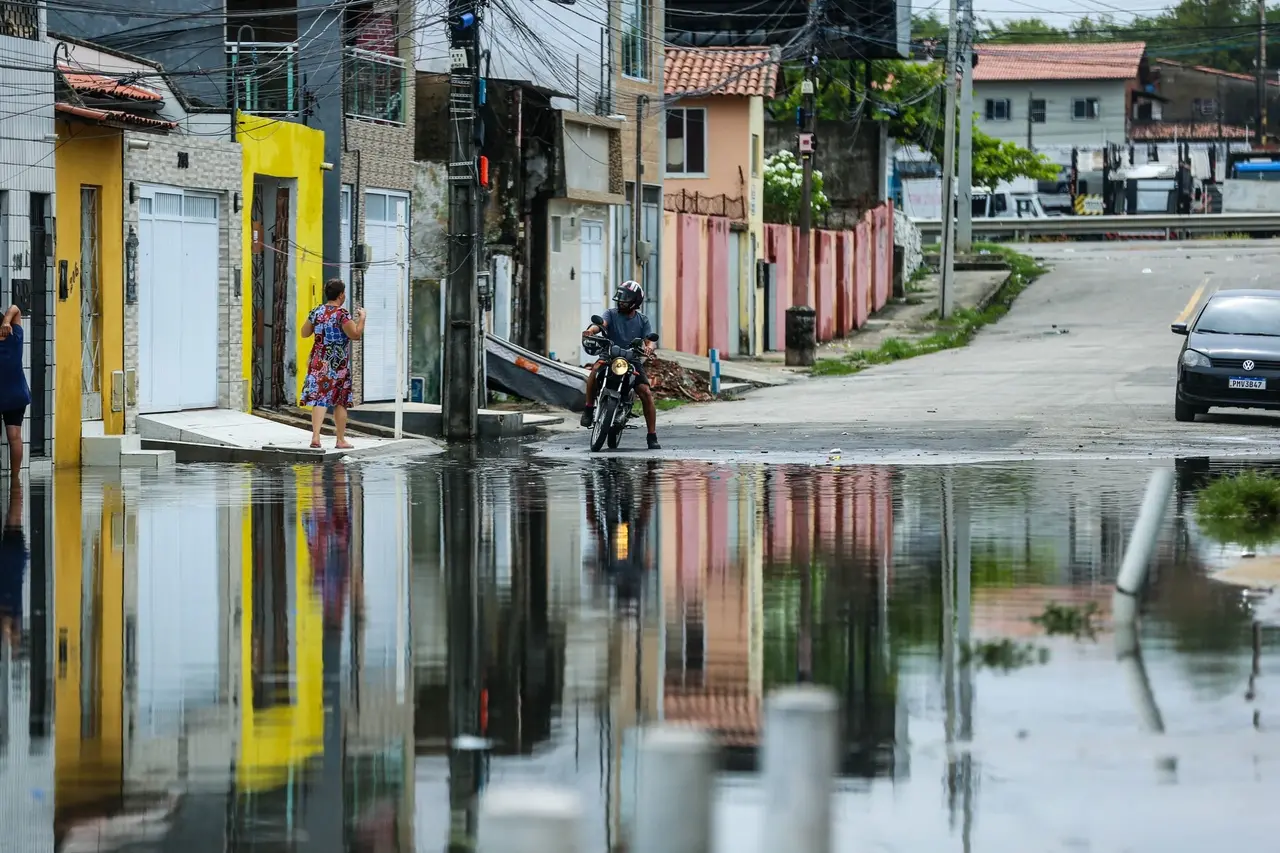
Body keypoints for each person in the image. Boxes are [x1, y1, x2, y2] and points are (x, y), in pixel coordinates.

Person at [580, 280, 661, 450]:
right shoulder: (611, 313)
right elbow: (601, 324)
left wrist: (648, 348)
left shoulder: (643, 320)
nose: (621, 301)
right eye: (621, 298)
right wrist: (591, 331)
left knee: (646, 392)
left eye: (625, 298)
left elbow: (649, 341)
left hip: (632, 359)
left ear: (635, 302)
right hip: (609, 355)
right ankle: (588, 408)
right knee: (594, 372)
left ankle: (652, 435)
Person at [301, 278, 365, 449]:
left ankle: (316, 437)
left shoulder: (317, 312)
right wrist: (362, 319)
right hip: (337, 362)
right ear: (341, 295)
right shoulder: (342, 314)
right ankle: (340, 440)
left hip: (318, 360)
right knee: (340, 400)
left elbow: (304, 333)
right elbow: (355, 334)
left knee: (319, 398)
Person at [0, 304, 31, 474]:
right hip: (17, 395)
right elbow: (16, 308)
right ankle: (16, 477)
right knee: (15, 437)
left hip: (3, 395)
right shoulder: (15, 338)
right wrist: (7, 321)